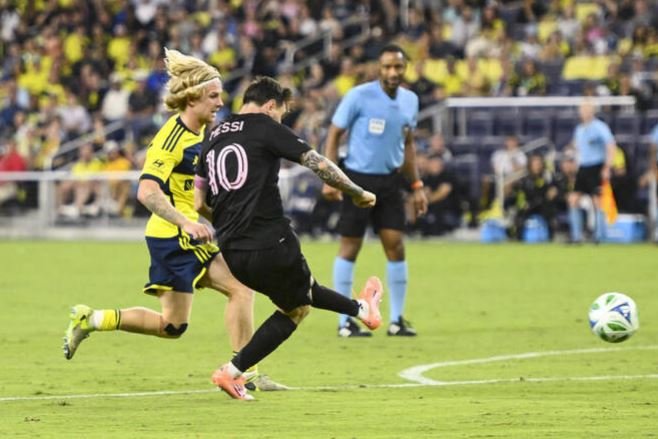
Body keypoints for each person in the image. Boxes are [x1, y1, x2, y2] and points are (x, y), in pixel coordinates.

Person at [62, 49, 285, 392]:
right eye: (213, 96)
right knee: (240, 289)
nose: (220, 102)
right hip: (174, 235)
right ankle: (245, 374)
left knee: (172, 326)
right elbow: (147, 191)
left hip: (185, 233)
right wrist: (186, 222)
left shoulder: (205, 133)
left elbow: (197, 194)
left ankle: (91, 318)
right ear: (192, 98)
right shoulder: (171, 138)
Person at [195, 76, 383, 400]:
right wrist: (356, 191)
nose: (280, 121)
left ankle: (362, 310)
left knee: (299, 296)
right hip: (270, 240)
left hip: (231, 251)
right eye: (281, 114)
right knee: (297, 307)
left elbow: (199, 203)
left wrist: (229, 223)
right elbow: (317, 163)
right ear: (270, 106)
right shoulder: (266, 126)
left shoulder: (213, 135)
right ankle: (232, 372)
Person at [322, 44, 427, 337]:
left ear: (405, 69)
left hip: (390, 181)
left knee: (396, 246)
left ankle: (396, 320)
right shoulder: (358, 96)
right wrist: (330, 178)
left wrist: (417, 185)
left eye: (398, 67)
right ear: (378, 69)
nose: (393, 72)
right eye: (387, 67)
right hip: (357, 180)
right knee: (350, 247)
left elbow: (408, 144)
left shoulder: (410, 100)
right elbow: (334, 134)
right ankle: (345, 321)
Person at [567, 100, 616, 243]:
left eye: (587, 109)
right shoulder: (579, 129)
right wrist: (573, 165)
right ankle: (576, 237)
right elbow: (577, 149)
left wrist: (607, 167)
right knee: (573, 199)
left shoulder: (600, 127)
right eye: (582, 109)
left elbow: (610, 145)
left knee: (597, 201)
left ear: (593, 111)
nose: (584, 112)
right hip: (583, 167)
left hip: (596, 166)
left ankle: (599, 236)